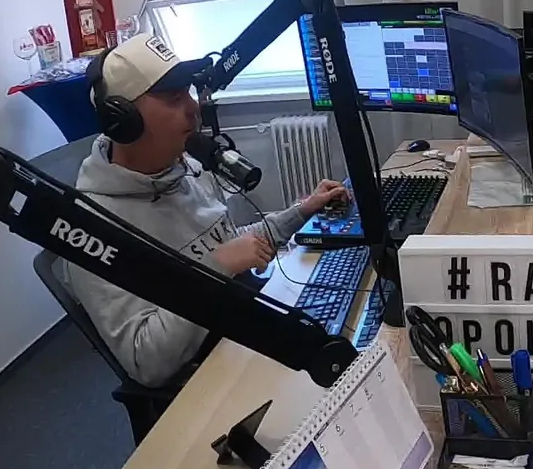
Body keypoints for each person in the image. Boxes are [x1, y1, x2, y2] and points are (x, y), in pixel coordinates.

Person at [68, 34, 350, 388]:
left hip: (247, 333)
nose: (193, 108)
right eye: (173, 98)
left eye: (188, 92)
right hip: (209, 379)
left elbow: (231, 245)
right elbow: (146, 362)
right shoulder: (89, 227)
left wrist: (302, 211)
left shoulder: (182, 168)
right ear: (121, 120)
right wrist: (216, 267)